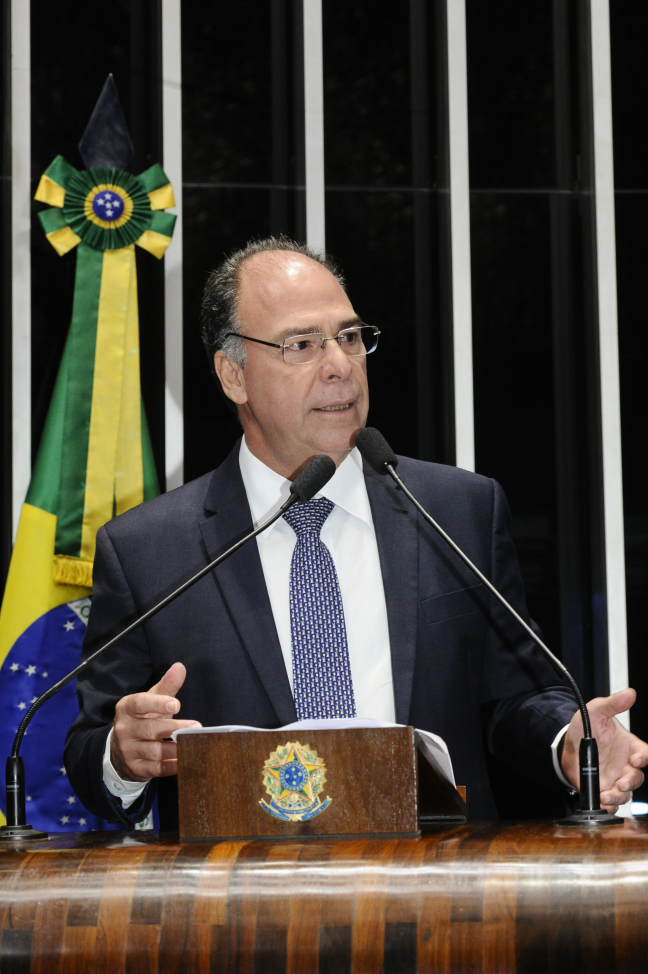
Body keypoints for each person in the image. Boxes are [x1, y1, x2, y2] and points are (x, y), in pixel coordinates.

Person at [65, 237, 648, 827]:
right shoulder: (148, 550)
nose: (340, 365)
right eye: (303, 345)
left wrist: (567, 738)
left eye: (348, 337)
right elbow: (89, 749)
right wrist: (122, 754)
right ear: (233, 375)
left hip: (440, 889)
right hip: (239, 900)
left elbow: (515, 696)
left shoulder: (457, 510)